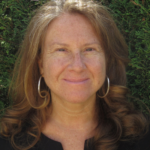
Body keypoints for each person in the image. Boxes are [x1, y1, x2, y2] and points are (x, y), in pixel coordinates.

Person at [0, 0, 150, 150]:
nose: (77, 66)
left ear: (107, 61)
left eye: (90, 49)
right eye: (61, 50)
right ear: (41, 65)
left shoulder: (141, 138)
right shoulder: (6, 142)